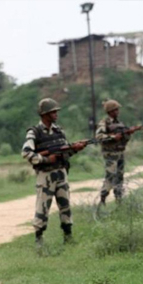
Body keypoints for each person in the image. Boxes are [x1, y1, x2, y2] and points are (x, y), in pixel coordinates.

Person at [21, 98, 88, 247]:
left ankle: (68, 237)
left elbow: (65, 153)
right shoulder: (35, 133)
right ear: (45, 114)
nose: (56, 114)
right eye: (53, 112)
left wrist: (75, 149)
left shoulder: (59, 131)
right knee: (42, 208)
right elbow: (26, 153)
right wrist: (46, 160)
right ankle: (39, 239)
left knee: (65, 206)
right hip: (45, 176)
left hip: (61, 173)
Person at [95, 99, 140, 205]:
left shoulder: (120, 124)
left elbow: (125, 139)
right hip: (110, 154)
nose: (118, 112)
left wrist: (129, 133)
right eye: (115, 110)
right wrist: (113, 137)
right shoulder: (104, 122)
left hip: (120, 153)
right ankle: (103, 198)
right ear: (110, 111)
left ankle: (119, 199)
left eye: (118, 110)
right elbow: (99, 137)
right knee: (110, 176)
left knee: (119, 177)